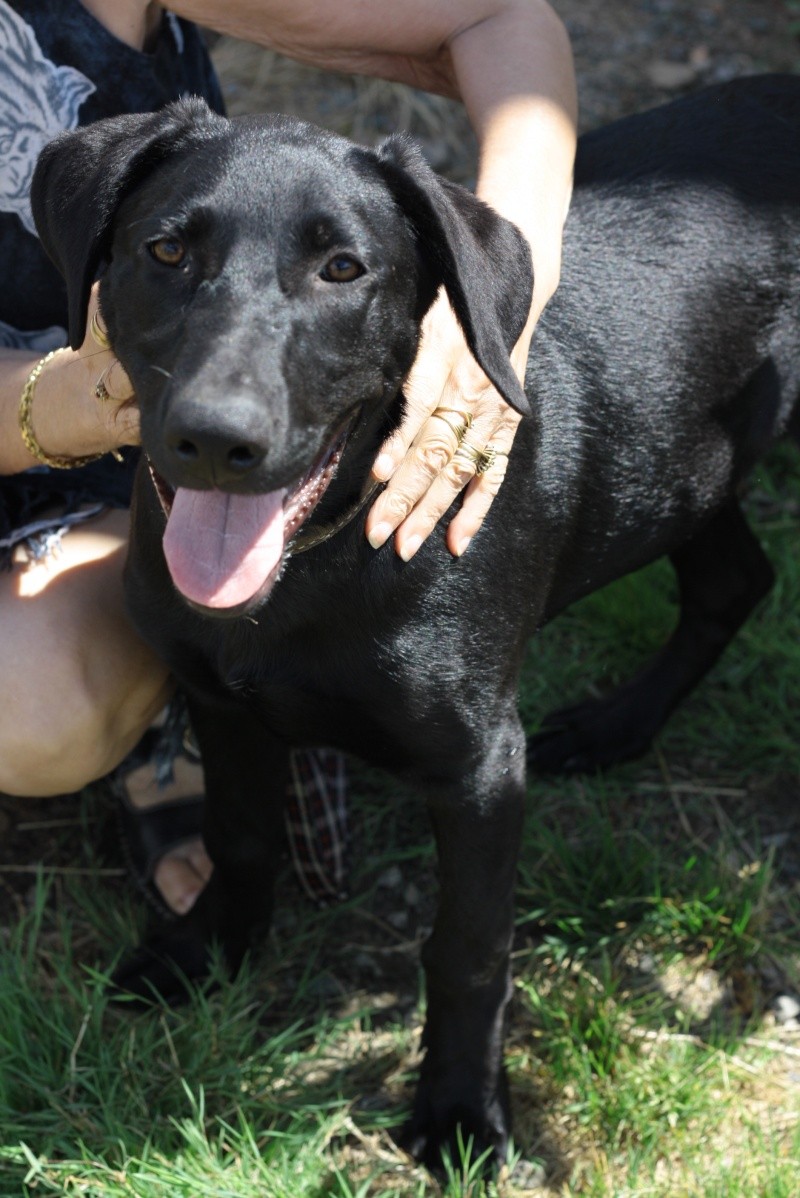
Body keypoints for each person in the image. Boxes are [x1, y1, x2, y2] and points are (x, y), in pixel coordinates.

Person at [0, 0, 576, 913]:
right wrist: (66, 401)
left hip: (143, 418)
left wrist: (501, 308)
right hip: (90, 403)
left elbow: (501, 16)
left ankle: (223, 702)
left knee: (34, 704)